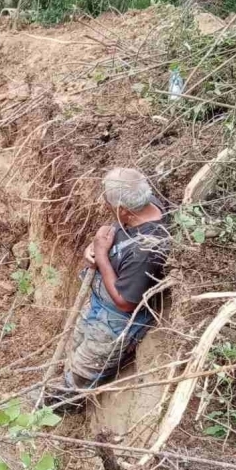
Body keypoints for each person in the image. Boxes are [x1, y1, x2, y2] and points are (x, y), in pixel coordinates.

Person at [47, 168, 170, 413]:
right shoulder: (143, 206)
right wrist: (94, 250)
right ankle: (63, 382)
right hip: (98, 303)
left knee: (85, 370)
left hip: (114, 322)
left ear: (124, 209)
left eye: (108, 202)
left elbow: (125, 302)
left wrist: (102, 255)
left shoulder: (145, 251)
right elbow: (113, 240)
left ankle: (58, 407)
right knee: (76, 349)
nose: (105, 204)